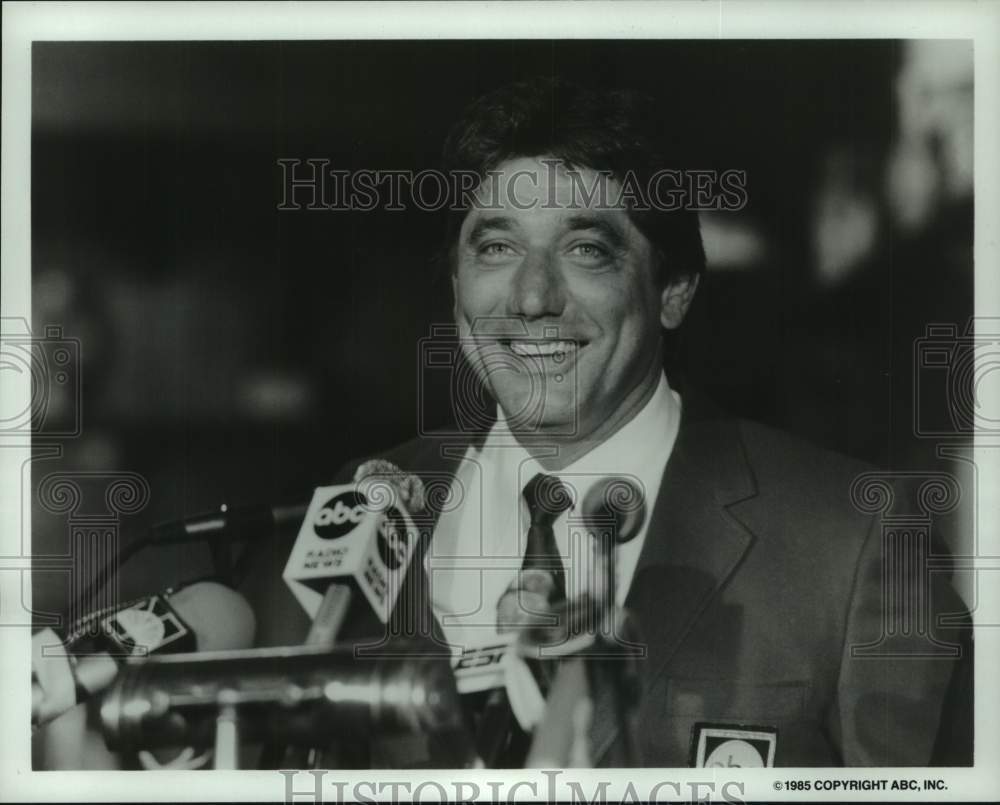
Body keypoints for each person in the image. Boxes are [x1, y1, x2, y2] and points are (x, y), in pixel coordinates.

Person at [286, 77, 973, 768]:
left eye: (587, 249)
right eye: (495, 247)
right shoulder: (366, 504)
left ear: (673, 290)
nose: (531, 297)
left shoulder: (853, 539)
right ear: (456, 287)